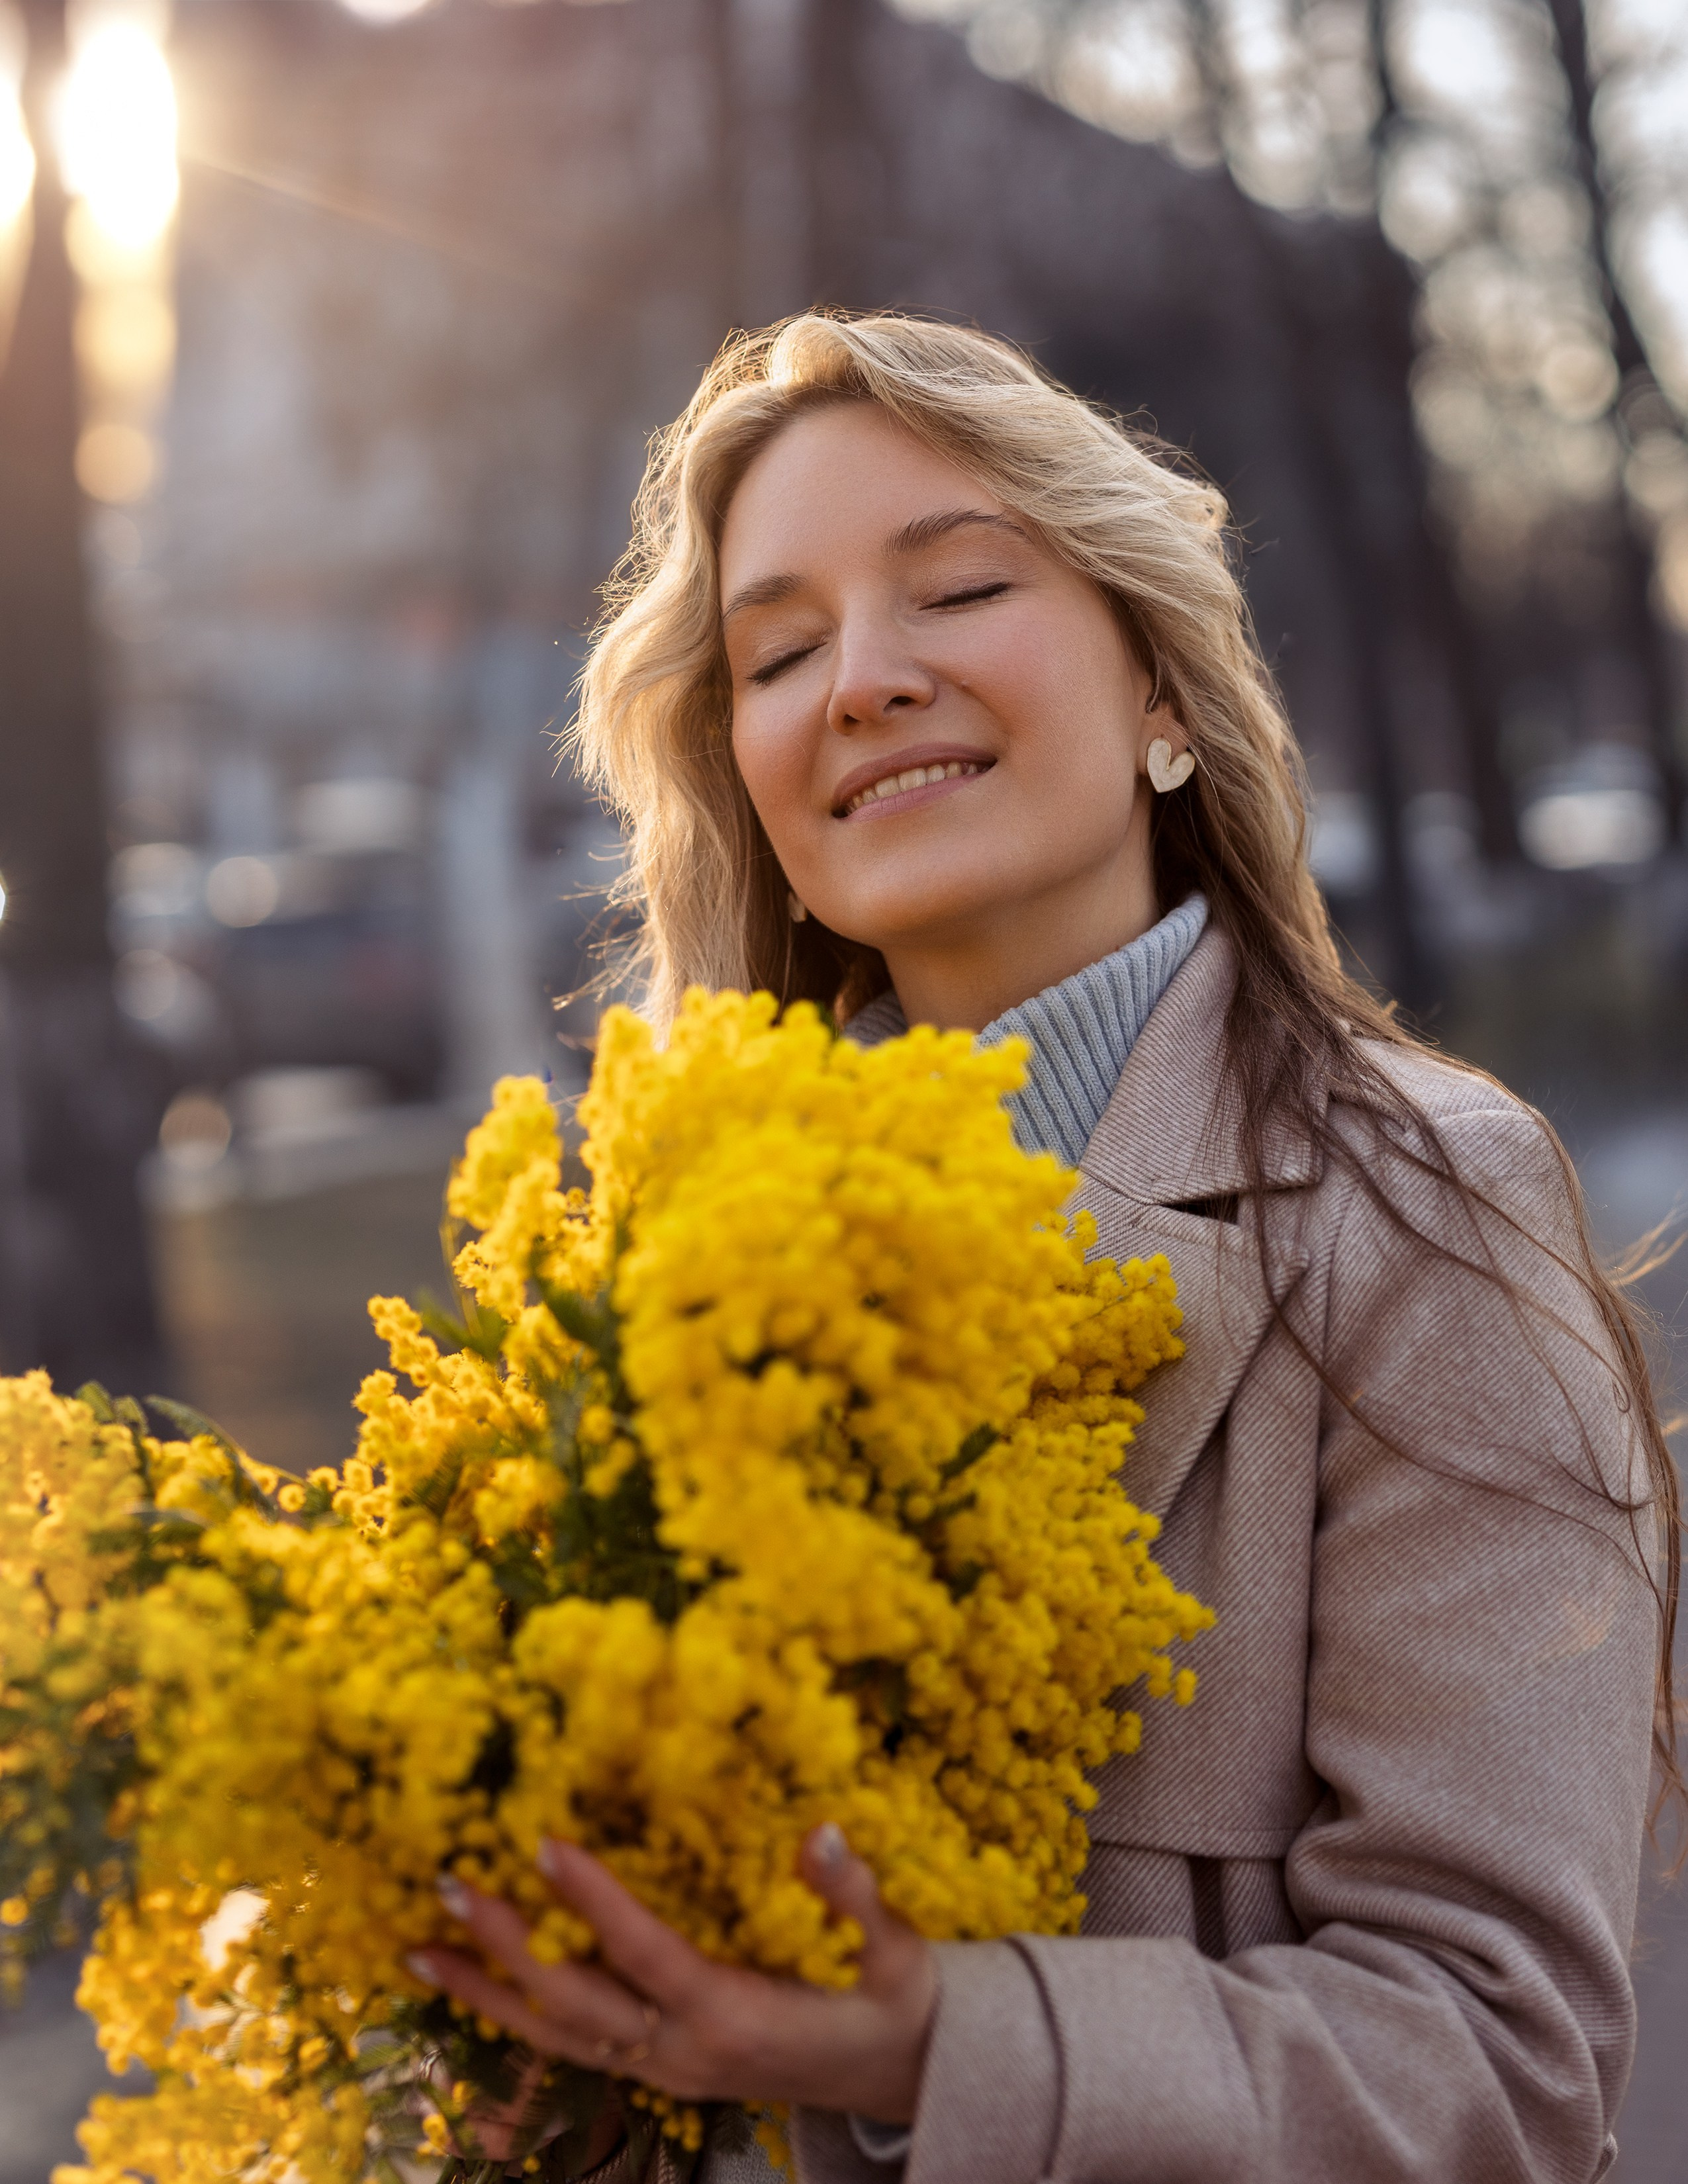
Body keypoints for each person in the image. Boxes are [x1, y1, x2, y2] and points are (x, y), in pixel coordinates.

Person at [409, 312, 1679, 2184]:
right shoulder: (641, 1277)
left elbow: (1500, 2061)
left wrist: (945, 2045)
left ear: (1161, 685)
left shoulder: (1427, 1208)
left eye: (960, 587)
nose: (861, 680)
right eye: (778, 650)